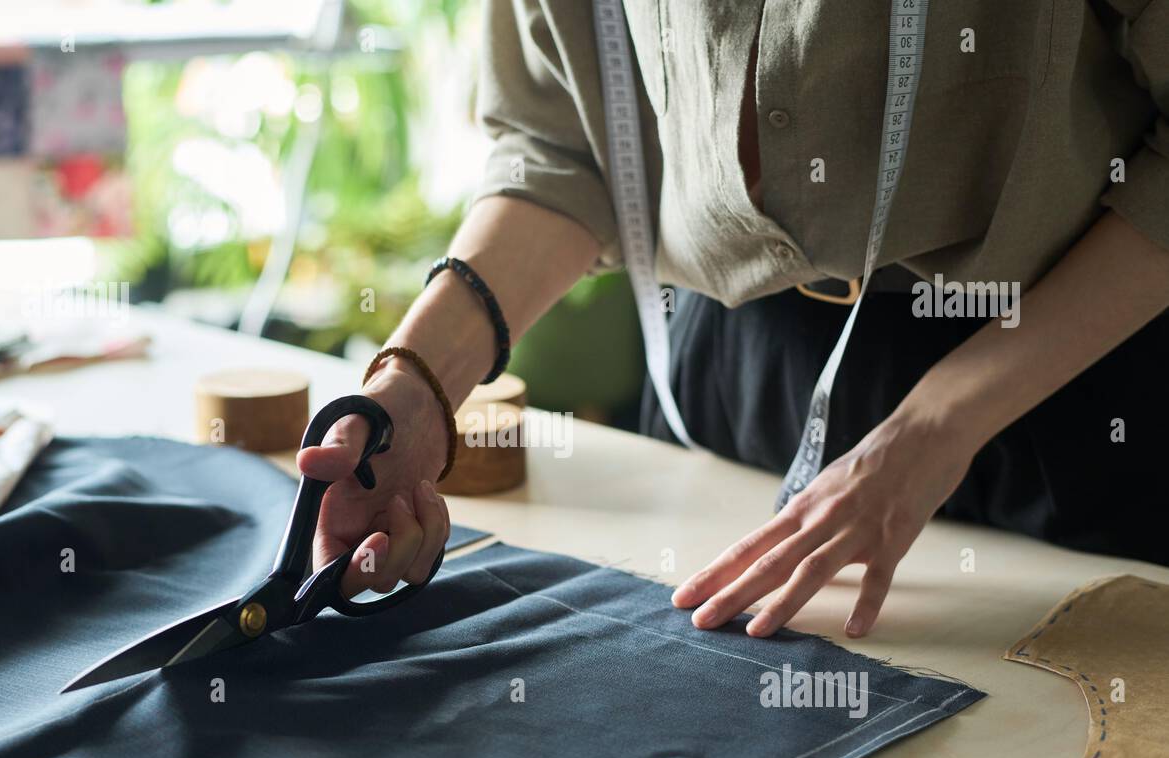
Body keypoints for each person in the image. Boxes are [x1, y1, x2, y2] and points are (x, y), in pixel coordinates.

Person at [298, 1, 1169, 639]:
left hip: (1055, 388)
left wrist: (944, 420)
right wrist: (415, 384)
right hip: (728, 379)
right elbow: (559, 153)